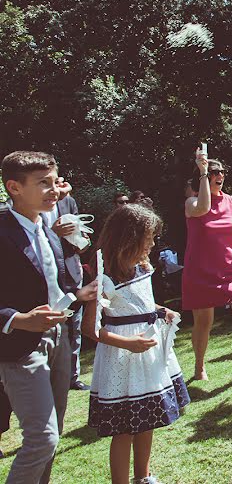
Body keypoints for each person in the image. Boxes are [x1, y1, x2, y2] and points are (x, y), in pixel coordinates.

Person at [0, 151, 98, 483]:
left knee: (51, 437)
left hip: (60, 338)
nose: (54, 190)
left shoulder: (50, 227)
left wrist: (78, 298)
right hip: (19, 347)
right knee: (43, 439)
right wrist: (18, 319)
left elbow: (57, 286)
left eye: (55, 181)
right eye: (43, 183)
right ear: (14, 187)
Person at [83, 204, 189, 484]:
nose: (153, 243)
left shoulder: (142, 266)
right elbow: (91, 328)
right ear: (129, 237)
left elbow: (138, 302)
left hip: (147, 352)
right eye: (149, 237)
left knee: (147, 419)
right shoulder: (104, 276)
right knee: (124, 428)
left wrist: (160, 310)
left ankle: (143, 476)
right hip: (122, 357)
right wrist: (126, 343)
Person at [182, 153, 232, 381]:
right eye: (214, 173)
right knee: (203, 322)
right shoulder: (192, 203)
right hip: (201, 270)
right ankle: (199, 367)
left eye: (221, 172)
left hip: (231, 266)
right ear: (203, 178)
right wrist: (203, 172)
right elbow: (203, 209)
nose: (219, 176)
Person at [44, 175, 89, 391]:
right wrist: (53, 233)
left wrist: (82, 243)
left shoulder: (68, 202)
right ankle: (50, 376)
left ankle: (72, 376)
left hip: (72, 272)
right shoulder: (31, 208)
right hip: (47, 279)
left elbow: (80, 237)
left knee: (75, 328)